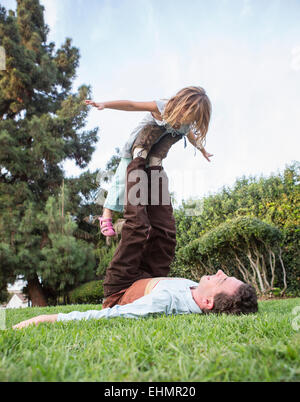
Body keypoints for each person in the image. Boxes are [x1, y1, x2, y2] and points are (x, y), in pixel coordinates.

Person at [13, 156, 258, 329]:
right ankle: (155, 167)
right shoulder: (198, 290)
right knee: (166, 234)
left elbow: (111, 315)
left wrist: (45, 319)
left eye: (223, 280)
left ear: (207, 302)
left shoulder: (164, 303)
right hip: (151, 276)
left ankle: (138, 161)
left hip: (122, 288)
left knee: (138, 228)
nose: (220, 272)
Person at [85, 86, 213, 237]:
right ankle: (106, 215)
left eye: (193, 119)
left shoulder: (186, 125)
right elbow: (131, 105)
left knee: (143, 185)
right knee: (122, 179)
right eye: (189, 115)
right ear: (182, 106)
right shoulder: (163, 107)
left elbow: (192, 138)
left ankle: (146, 218)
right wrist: (105, 104)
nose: (188, 120)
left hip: (153, 154)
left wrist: (202, 150)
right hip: (137, 147)